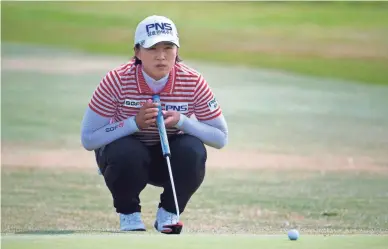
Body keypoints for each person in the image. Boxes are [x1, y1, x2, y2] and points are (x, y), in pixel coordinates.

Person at [80, 15, 228, 234]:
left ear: (177, 50)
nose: (161, 56)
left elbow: (220, 137)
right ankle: (129, 213)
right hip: (124, 161)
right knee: (126, 151)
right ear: (138, 52)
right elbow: (89, 138)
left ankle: (169, 212)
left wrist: (183, 121)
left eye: (168, 47)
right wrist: (133, 123)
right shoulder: (116, 80)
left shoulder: (193, 81)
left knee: (192, 150)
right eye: (152, 49)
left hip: (167, 161)